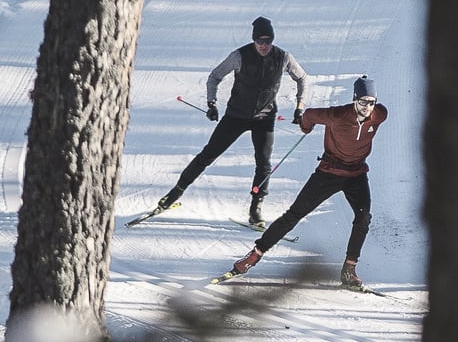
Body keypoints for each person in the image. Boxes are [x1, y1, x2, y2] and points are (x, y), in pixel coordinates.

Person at [226, 76, 387, 288]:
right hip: (329, 172)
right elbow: (310, 115)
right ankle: (254, 255)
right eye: (364, 101)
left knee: (363, 217)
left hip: (356, 174)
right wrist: (305, 125)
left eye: (372, 102)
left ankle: (349, 269)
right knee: (295, 214)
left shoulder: (380, 114)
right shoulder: (337, 115)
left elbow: (374, 115)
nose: (368, 107)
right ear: (355, 99)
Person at [156, 16, 308, 225]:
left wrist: (300, 107)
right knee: (208, 154)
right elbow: (215, 76)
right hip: (236, 115)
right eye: (259, 41)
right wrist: (211, 103)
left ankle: (256, 207)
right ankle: (175, 193)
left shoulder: (283, 57)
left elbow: (302, 78)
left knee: (263, 163)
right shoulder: (239, 56)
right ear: (254, 40)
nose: (264, 46)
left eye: (268, 41)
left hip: (264, 117)